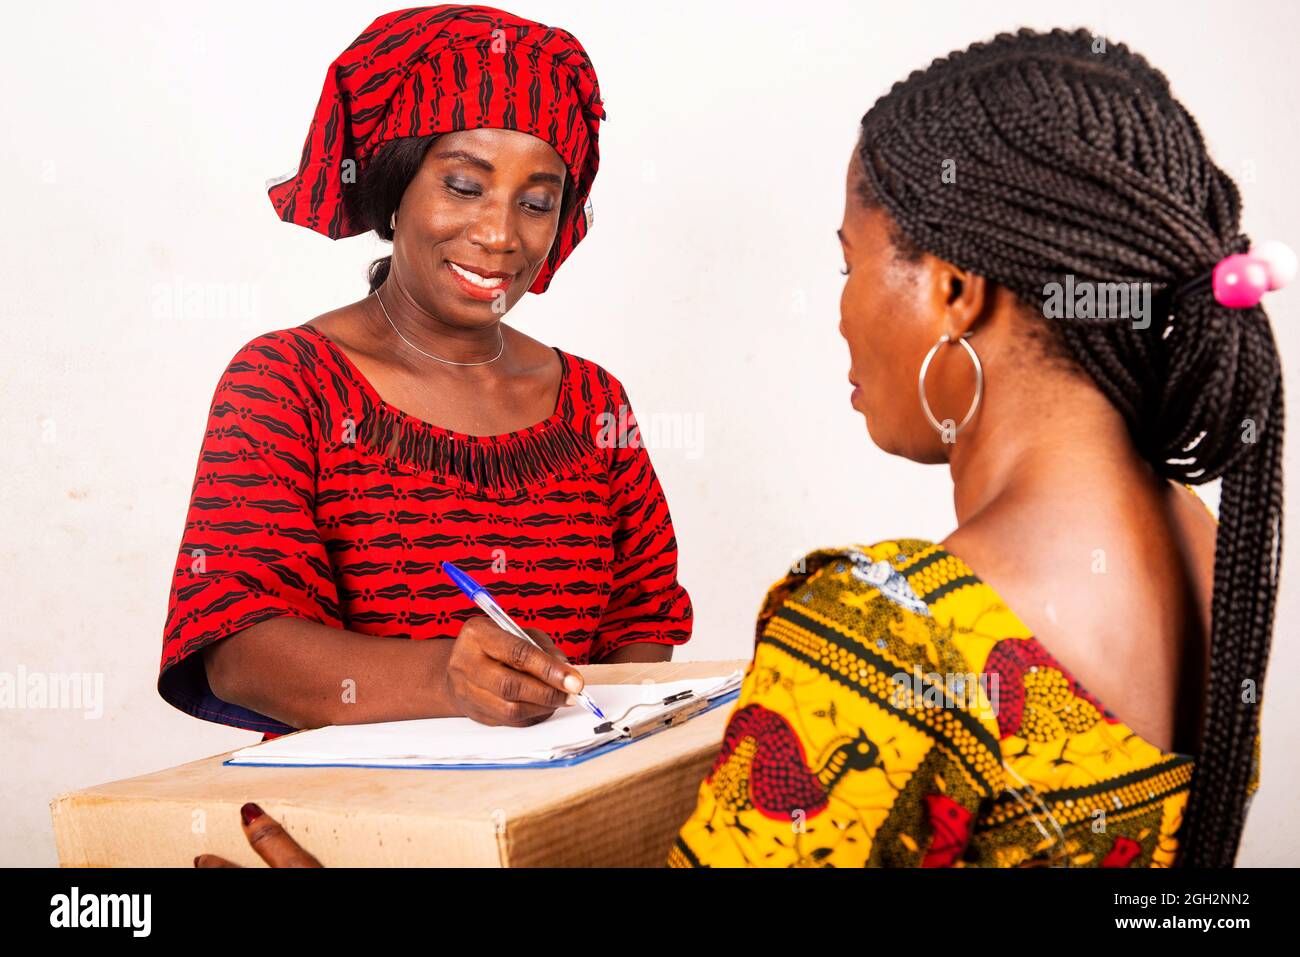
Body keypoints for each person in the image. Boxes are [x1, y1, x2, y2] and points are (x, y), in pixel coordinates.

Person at [670, 28, 1285, 868]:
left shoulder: (887, 635)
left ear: (956, 289)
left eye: (850, 264)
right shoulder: (1217, 556)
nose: (841, 310)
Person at [158, 6, 692, 739]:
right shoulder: (287, 382)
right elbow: (238, 649)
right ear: (395, 187)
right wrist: (448, 676)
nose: (501, 235)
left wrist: (600, 748)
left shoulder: (593, 403)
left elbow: (642, 619)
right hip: (357, 826)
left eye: (536, 203)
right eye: (464, 187)